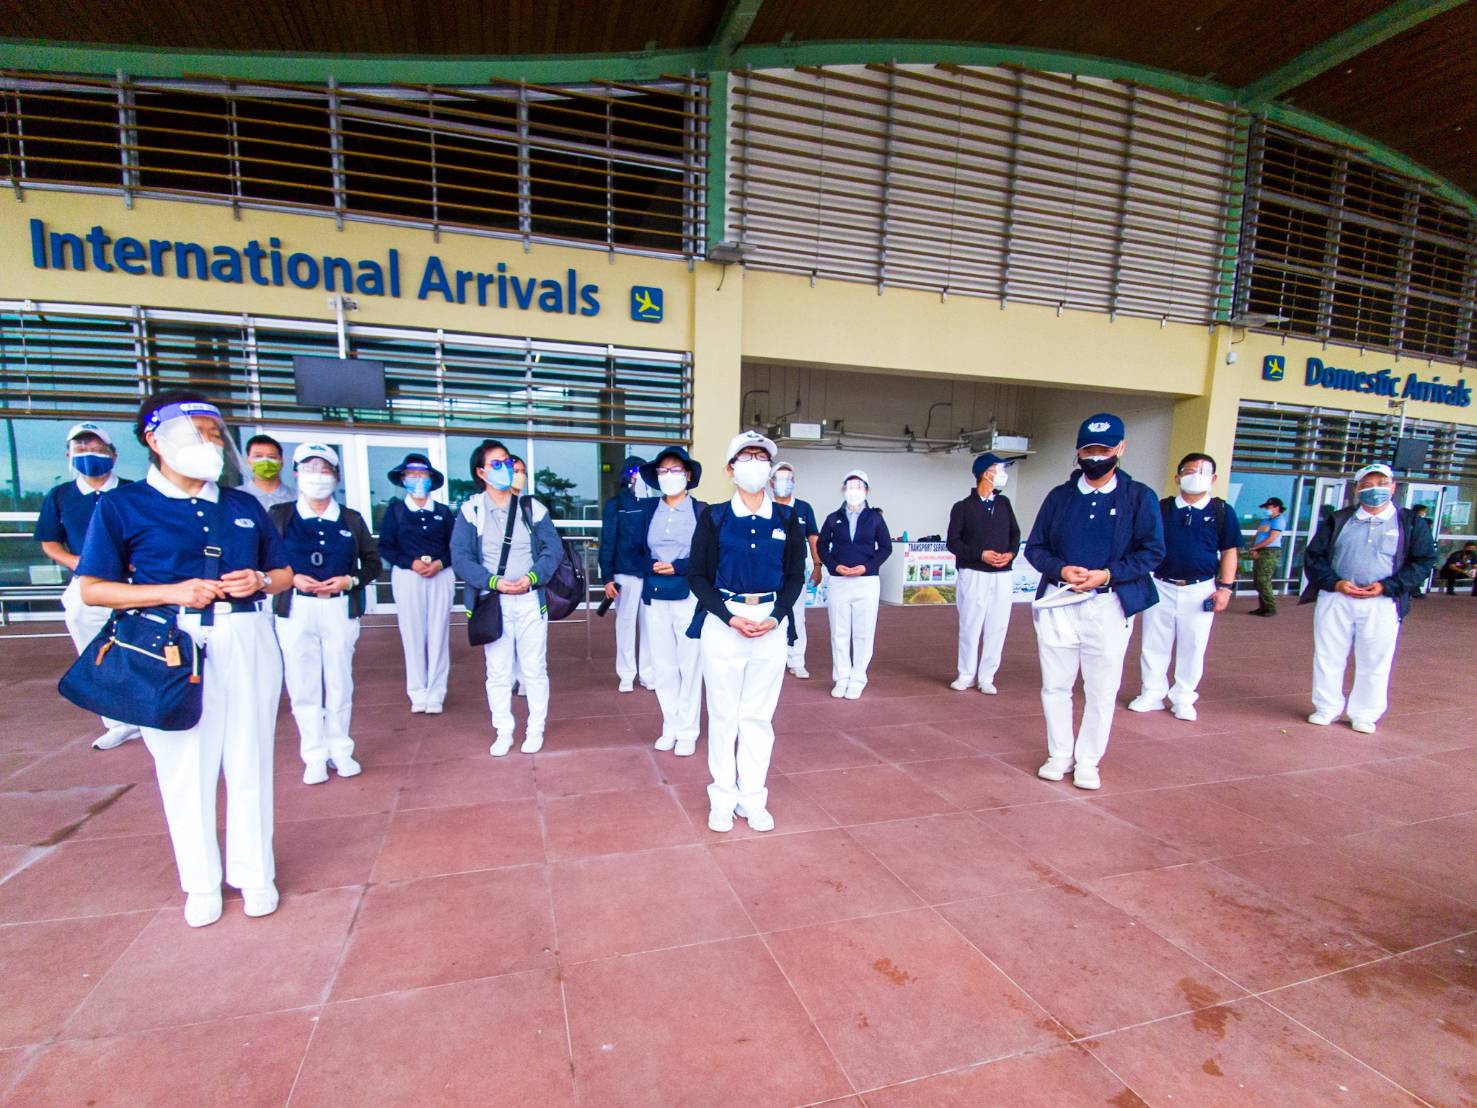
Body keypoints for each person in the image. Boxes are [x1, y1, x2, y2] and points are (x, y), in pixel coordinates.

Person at [75, 390, 292, 928]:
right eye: (200, 434)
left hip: (247, 637)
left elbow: (283, 573)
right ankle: (201, 881)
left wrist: (262, 579)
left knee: (251, 759)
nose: (212, 444)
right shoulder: (123, 506)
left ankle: (254, 872)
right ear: (155, 439)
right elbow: (94, 589)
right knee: (185, 768)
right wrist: (171, 592)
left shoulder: (242, 505)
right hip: (171, 645)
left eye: (217, 435)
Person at [1024, 412, 1164, 791]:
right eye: (1089, 449)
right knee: (1055, 684)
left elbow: (1152, 552)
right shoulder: (1060, 498)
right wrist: (1061, 570)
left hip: (1109, 602)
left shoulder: (1139, 498)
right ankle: (1059, 753)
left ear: (1121, 449)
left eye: (1104, 449)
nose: (1096, 456)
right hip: (1060, 599)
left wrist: (1107, 574)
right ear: (1078, 452)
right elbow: (1035, 548)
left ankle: (1088, 760)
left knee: (1101, 688)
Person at [686, 431, 807, 832]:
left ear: (771, 469)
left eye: (761, 457)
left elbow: (794, 575)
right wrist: (728, 616)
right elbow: (698, 576)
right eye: (746, 457)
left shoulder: (788, 518)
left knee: (757, 716)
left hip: (770, 619)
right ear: (730, 469)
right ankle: (722, 796)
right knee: (723, 715)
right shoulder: (714, 517)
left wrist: (777, 616)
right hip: (724, 621)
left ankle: (752, 797)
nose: (754, 463)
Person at [269, 445, 382, 784]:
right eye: (309, 468)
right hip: (296, 607)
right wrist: (290, 577)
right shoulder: (280, 515)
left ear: (336, 476)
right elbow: (264, 558)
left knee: (339, 681)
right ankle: (313, 754)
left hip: (338, 608)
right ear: (296, 473)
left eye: (324, 469)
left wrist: (350, 580)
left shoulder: (350, 519)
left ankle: (340, 748)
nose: (317, 475)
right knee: (302, 683)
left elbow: (373, 562)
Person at [1301, 463, 1437, 734]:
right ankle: (1326, 707)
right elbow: (1313, 556)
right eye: (1367, 484)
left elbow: (1422, 562)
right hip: (1337, 597)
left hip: (1382, 601)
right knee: (1328, 655)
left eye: (1382, 483)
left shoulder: (1410, 523)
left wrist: (1389, 586)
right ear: (1357, 489)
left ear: (1393, 487)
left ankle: (1365, 713)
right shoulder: (1339, 519)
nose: (1375, 489)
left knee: (1375, 659)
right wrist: (1335, 582)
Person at [451, 439, 562, 756]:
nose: (505, 468)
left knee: (534, 669)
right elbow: (461, 558)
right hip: (493, 603)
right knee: (497, 671)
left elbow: (551, 550)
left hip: (529, 600)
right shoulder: (471, 510)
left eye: (507, 462)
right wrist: (493, 582)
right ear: (481, 472)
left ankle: (535, 728)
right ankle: (504, 730)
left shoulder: (531, 507)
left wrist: (531, 578)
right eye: (496, 464)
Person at [36, 422, 140, 750]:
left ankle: (151, 710)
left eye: (96, 449)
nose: (89, 455)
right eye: (80, 450)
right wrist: (78, 563)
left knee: (143, 646)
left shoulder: (133, 492)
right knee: (96, 651)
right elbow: (50, 542)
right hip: (88, 585)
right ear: (68, 455)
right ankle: (118, 721)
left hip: (135, 583)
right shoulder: (61, 496)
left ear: (113, 454)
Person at [1129, 453, 1240, 722]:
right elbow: (1142, 543)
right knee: (1154, 643)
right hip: (1161, 584)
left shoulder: (1221, 512)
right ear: (1177, 477)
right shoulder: (1162, 508)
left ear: (1213, 478)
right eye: (1190, 471)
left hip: (1200, 588)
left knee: (1193, 645)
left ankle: (1184, 697)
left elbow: (1229, 551)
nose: (1196, 476)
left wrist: (1225, 588)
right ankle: (1152, 693)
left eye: (1203, 472)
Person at [637, 447, 708, 755]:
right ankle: (671, 724)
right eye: (663, 472)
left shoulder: (702, 511)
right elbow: (634, 550)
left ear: (688, 475)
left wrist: (678, 566)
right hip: (655, 594)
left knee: (690, 663)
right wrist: (649, 565)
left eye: (675, 470)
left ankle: (689, 730)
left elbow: (708, 555)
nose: (669, 477)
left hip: (688, 593)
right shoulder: (648, 510)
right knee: (663, 663)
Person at [380, 453, 457, 714]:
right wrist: (410, 562)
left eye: (422, 475)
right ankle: (417, 691)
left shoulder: (443, 512)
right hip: (408, 576)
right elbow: (386, 547)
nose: (417, 480)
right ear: (403, 479)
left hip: (440, 575)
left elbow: (454, 546)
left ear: (431, 478)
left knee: (438, 633)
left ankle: (436, 692)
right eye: (412, 475)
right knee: (412, 634)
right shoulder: (396, 511)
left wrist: (439, 563)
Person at [945, 452, 1020, 694]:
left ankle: (987, 676)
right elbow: (953, 542)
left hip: (1002, 574)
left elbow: (1015, 535)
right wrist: (980, 554)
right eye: (999, 469)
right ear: (986, 473)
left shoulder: (1004, 504)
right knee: (970, 624)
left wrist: (1010, 553)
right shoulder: (963, 507)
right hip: (974, 572)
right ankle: (965, 674)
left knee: (997, 625)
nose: (1002, 474)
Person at [818, 470, 892, 699]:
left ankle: (858, 678)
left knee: (863, 632)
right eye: (850, 486)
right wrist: (834, 566)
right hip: (840, 580)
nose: (854, 491)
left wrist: (867, 567)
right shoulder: (833, 518)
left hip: (866, 581)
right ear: (843, 490)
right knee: (839, 632)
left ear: (867, 490)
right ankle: (841, 677)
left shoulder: (875, 518)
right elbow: (822, 547)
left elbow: (886, 547)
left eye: (859, 486)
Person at [598, 455, 654, 692]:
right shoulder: (616, 504)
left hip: (650, 575)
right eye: (634, 471)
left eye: (642, 471)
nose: (638, 475)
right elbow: (608, 541)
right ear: (626, 475)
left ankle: (649, 675)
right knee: (625, 625)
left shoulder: (654, 504)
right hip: (625, 574)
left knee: (650, 627)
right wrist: (607, 577)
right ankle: (626, 675)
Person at [768, 462, 822, 679]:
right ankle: (774, 659)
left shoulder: (803, 508)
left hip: (795, 570)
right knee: (770, 613)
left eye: (788, 478)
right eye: (779, 478)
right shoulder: (764, 505)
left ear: (794, 482)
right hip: (770, 570)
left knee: (797, 615)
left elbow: (813, 537)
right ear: (771, 483)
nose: (784, 483)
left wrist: (818, 565)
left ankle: (796, 660)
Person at [1247, 497, 1286, 616]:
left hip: (1270, 551)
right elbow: (1258, 535)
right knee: (1258, 580)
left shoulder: (1279, 521)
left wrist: (1256, 547)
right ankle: (1262, 607)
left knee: (1264, 580)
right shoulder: (1265, 521)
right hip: (1260, 550)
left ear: (1276, 507)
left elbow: (1271, 538)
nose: (1266, 509)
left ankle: (1270, 607)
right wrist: (1253, 548)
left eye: (1268, 507)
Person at [241, 434, 296, 511]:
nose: (265, 461)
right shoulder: (234, 497)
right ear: (248, 461)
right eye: (258, 456)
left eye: (272, 457)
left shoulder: (297, 498)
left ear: (282, 461)